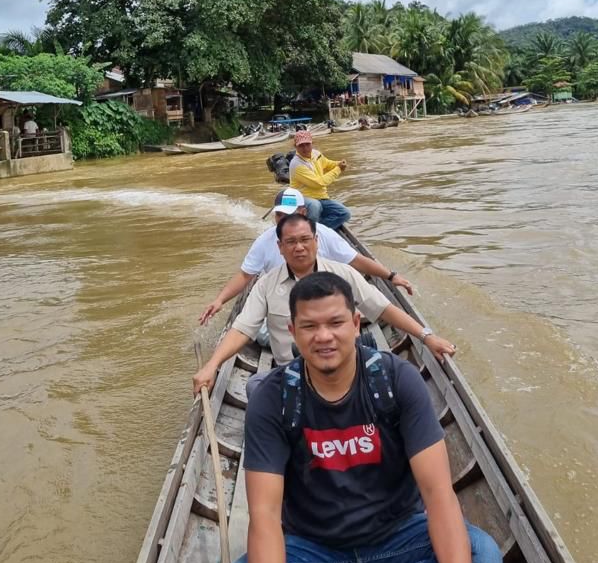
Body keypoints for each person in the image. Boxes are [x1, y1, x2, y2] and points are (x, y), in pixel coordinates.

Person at [220, 272, 502, 563]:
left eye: (336, 322)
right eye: (309, 327)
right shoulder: (272, 399)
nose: (324, 337)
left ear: (356, 323)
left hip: (397, 540)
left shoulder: (398, 381)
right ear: (293, 332)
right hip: (314, 550)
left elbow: (438, 493)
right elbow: (264, 515)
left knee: (482, 561)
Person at [192, 214, 456, 393]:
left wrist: (426, 336)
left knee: (396, 381)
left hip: (344, 368)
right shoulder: (266, 284)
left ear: (317, 242)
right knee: (255, 389)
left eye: (305, 240)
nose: (299, 248)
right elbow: (242, 328)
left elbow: (383, 308)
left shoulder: (342, 273)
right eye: (291, 242)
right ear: (280, 248)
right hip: (293, 372)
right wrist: (212, 365)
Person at [197, 188, 414, 327]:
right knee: (262, 334)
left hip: (321, 303)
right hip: (281, 306)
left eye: (291, 214)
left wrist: (391, 276)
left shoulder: (322, 234)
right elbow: (245, 276)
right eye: (280, 215)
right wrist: (219, 300)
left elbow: (356, 260)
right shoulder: (265, 242)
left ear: (302, 212)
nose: (285, 220)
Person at [289, 130, 350, 229]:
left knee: (345, 213)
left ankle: (316, 229)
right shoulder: (296, 164)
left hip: (321, 197)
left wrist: (338, 163)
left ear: (312, 143)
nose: (305, 148)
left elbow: (327, 164)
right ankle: (310, 231)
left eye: (307, 144)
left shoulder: (316, 154)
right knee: (315, 205)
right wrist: (339, 169)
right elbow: (319, 183)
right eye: (301, 145)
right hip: (300, 199)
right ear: (296, 146)